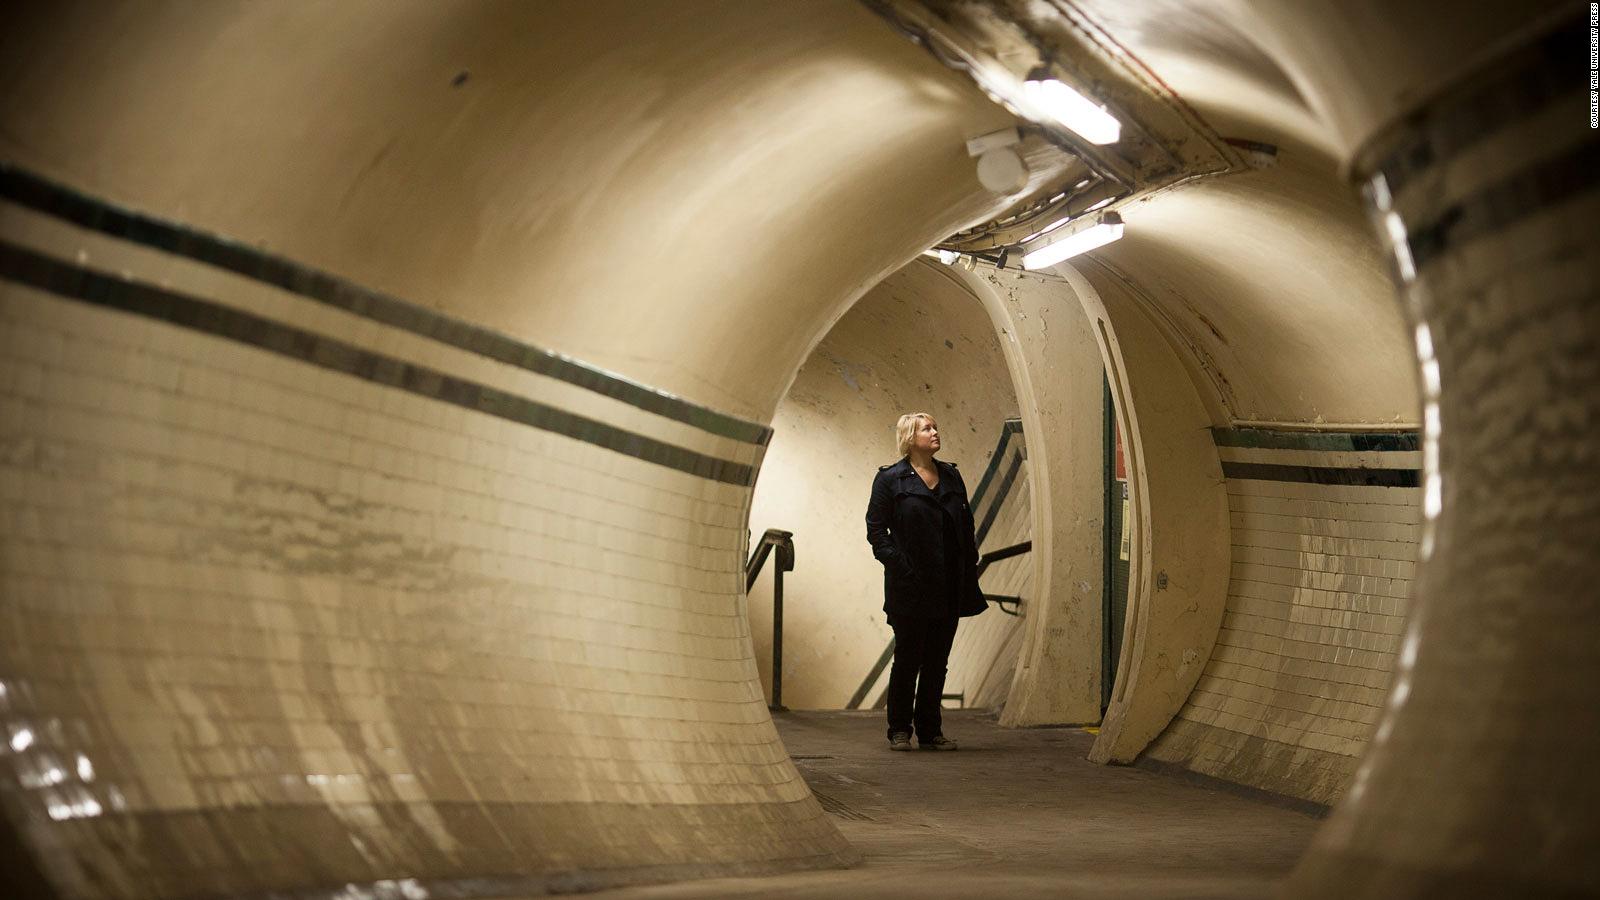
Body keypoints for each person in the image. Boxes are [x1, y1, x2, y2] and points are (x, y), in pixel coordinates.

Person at [864, 412, 988, 751]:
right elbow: (876, 531)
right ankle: (899, 729)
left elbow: (966, 524)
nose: (935, 432)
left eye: (935, 427)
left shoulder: (950, 475)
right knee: (908, 657)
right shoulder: (891, 480)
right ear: (909, 437)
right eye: (926, 428)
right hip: (910, 584)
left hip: (947, 583)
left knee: (937, 660)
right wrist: (901, 567)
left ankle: (931, 731)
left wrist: (969, 561)